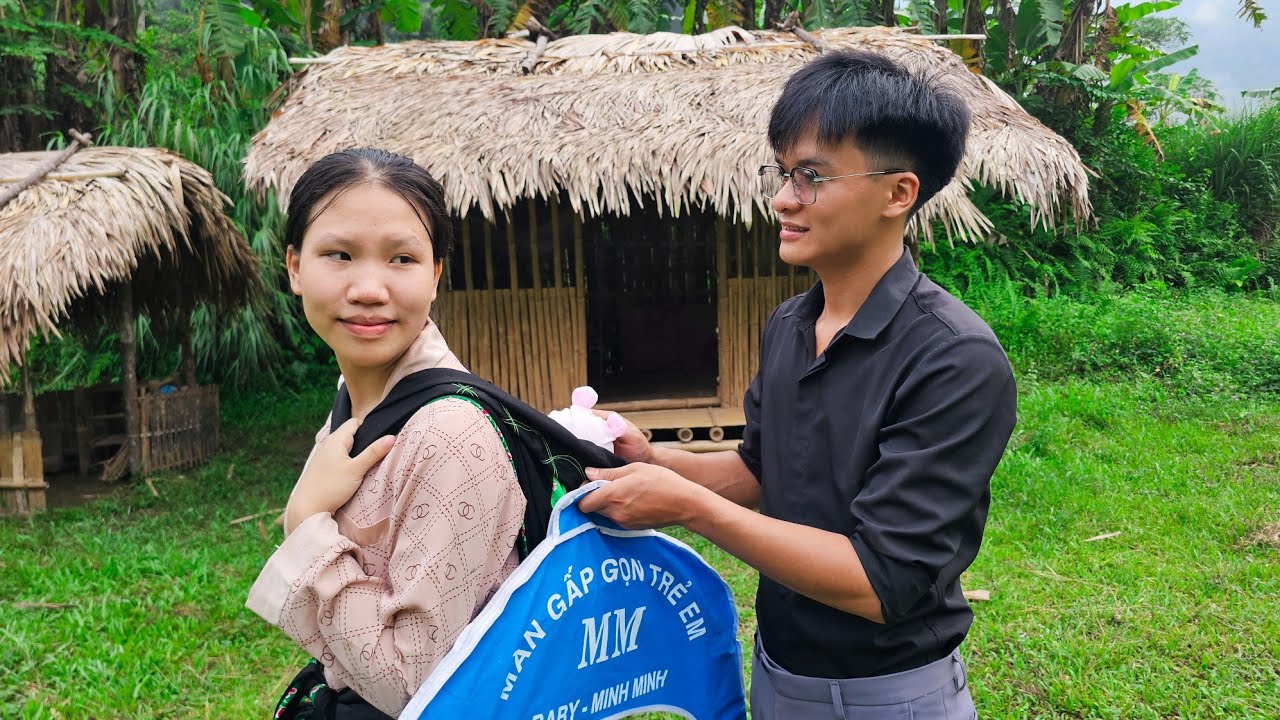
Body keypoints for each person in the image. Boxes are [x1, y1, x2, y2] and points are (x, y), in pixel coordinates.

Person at [578, 51, 1018, 719]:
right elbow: (761, 470)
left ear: (899, 193)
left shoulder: (954, 359)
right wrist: (657, 461)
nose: (784, 198)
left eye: (812, 176)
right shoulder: (790, 324)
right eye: (783, 173)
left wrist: (688, 507)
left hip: (888, 694)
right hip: (779, 671)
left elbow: (880, 581)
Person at [245, 149, 529, 718]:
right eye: (339, 255)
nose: (369, 288)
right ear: (295, 268)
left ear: (435, 273)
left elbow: (413, 686)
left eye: (401, 258)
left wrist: (305, 527)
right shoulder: (353, 402)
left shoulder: (450, 437)